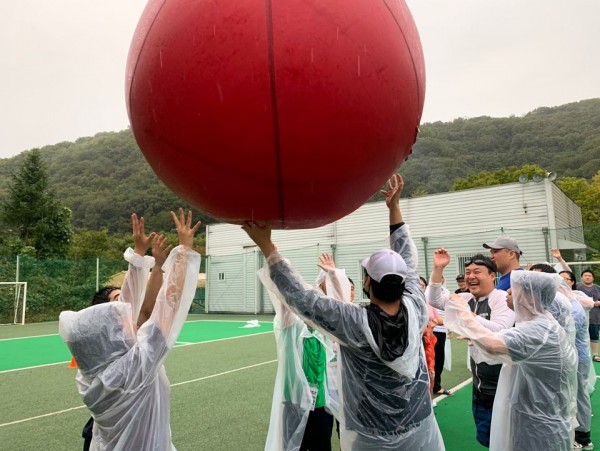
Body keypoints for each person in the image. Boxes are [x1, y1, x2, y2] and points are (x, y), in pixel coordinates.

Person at [243, 173, 444, 450]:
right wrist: (394, 210)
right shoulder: (417, 307)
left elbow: (304, 299)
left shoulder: (355, 323)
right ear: (403, 284)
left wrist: (266, 245)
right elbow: (408, 257)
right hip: (419, 428)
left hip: (369, 435)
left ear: (366, 282)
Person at [60, 209, 201, 451]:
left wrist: (140, 257)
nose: (125, 310)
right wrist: (183, 253)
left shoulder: (88, 378)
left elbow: (135, 309)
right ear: (110, 333)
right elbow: (166, 308)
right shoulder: (133, 370)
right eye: (117, 311)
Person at [444, 270, 578, 451]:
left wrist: (463, 313)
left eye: (513, 289)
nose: (507, 292)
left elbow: (492, 344)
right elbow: (496, 338)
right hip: (534, 418)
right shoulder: (537, 325)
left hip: (542, 428)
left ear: (530, 295)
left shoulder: (540, 330)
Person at [80, 216, 173, 451]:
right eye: (117, 300)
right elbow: (147, 308)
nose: (124, 304)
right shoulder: (129, 360)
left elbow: (139, 307)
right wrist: (171, 262)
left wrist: (142, 258)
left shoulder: (91, 368)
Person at [261, 252, 350, 451]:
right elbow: (284, 302)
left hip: (320, 408)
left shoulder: (325, 332)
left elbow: (342, 309)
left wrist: (333, 276)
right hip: (294, 404)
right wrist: (280, 269)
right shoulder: (290, 329)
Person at [426, 249, 515, 448]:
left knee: (508, 440)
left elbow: (500, 329)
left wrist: (466, 318)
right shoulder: (466, 299)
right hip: (480, 387)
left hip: (504, 389)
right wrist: (438, 268)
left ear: (493, 276)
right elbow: (434, 299)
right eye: (468, 272)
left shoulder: (500, 298)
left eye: (477, 272)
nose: (471, 276)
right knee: (488, 440)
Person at [577, 270, 600, 361]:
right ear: (582, 277)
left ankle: (595, 355)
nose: (587, 277)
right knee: (580, 337)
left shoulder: (598, 288)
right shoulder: (577, 287)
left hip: (594, 317)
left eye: (589, 275)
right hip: (579, 317)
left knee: (594, 336)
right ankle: (582, 355)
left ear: (593, 278)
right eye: (585, 275)